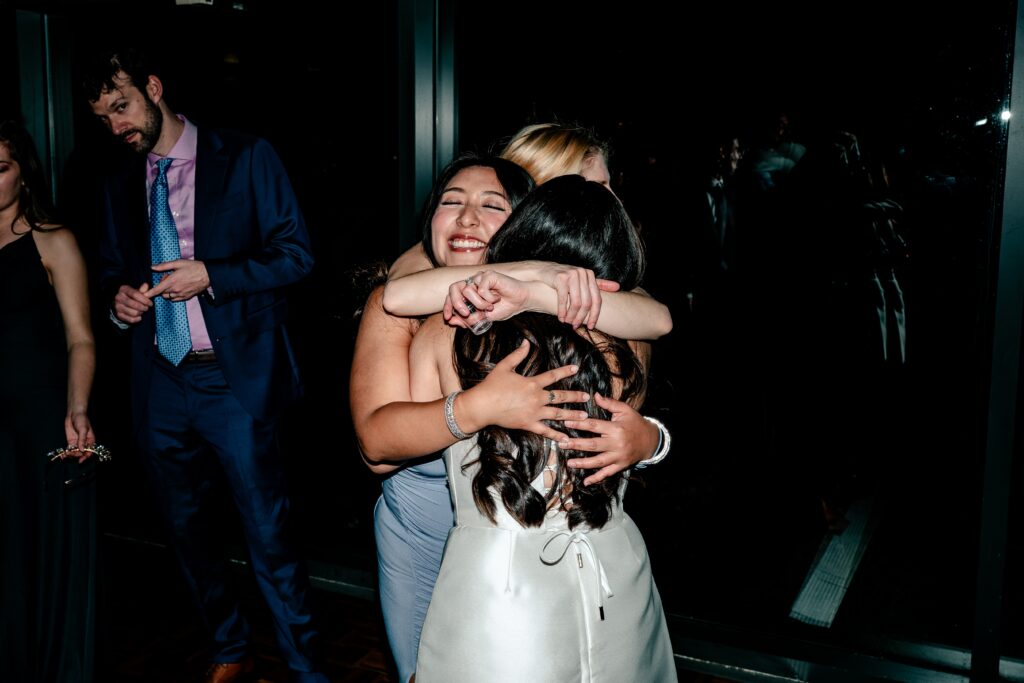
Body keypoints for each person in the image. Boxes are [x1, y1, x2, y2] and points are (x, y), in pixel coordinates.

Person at [351, 151, 672, 683]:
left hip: (560, 555)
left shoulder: (609, 320)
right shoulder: (419, 306)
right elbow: (377, 447)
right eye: (451, 202)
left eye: (491, 205)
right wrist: (481, 405)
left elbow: (654, 320)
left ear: (522, 220)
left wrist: (652, 440)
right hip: (428, 533)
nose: (468, 217)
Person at [81, 48, 328, 683]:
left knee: (267, 535)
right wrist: (120, 299)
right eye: (103, 117)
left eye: (122, 106)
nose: (116, 127)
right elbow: (112, 268)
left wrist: (211, 275)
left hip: (233, 380)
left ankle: (305, 669)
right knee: (185, 531)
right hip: (158, 381)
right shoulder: (118, 181)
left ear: (154, 87)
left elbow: (296, 254)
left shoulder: (245, 156)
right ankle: (228, 644)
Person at [0, 119, 99, 682]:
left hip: (40, 422)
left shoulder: (51, 239)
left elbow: (80, 337)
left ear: (24, 172)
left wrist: (78, 407)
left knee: (45, 562)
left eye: (0, 169)